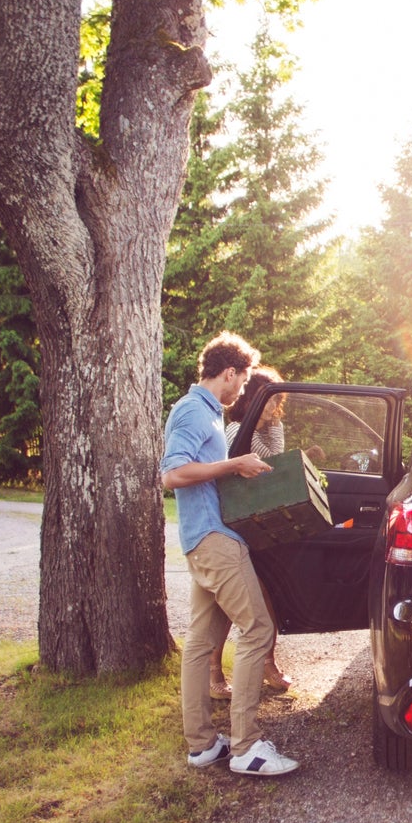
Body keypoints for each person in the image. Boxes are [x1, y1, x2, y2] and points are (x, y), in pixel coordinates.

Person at [160, 332, 299, 777]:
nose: (242, 391)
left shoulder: (208, 413)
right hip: (214, 541)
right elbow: (173, 474)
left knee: (200, 645)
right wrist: (233, 465)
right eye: (241, 381)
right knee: (258, 627)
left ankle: (202, 745)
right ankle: (247, 748)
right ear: (229, 373)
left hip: (204, 537)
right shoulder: (192, 412)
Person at [210, 365, 293, 699]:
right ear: (254, 399)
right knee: (227, 606)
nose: (276, 407)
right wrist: (264, 423)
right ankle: (214, 673)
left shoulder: (266, 429)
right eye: (270, 400)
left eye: (278, 400)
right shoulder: (236, 432)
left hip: (260, 524)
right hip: (236, 525)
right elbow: (269, 464)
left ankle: (267, 662)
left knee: (266, 595)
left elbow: (277, 459)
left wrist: (273, 421)